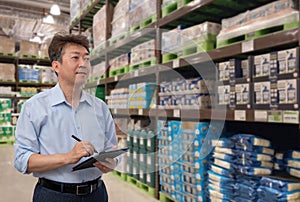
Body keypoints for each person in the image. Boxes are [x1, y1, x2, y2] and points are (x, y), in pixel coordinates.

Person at [14, 32, 119, 202]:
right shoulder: (35, 107)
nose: (83, 64)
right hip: (54, 195)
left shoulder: (100, 108)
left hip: (97, 194)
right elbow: (22, 160)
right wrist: (68, 157)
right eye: (75, 58)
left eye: (86, 58)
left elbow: (112, 151)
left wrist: (110, 163)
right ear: (56, 66)